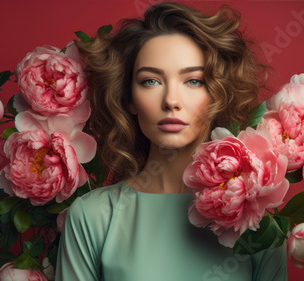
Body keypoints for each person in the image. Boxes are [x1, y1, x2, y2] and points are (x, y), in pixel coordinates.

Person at [55, 2, 288, 280]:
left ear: (217, 94)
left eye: (193, 81)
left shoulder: (258, 222)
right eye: (151, 81)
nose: (171, 101)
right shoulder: (93, 217)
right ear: (129, 98)